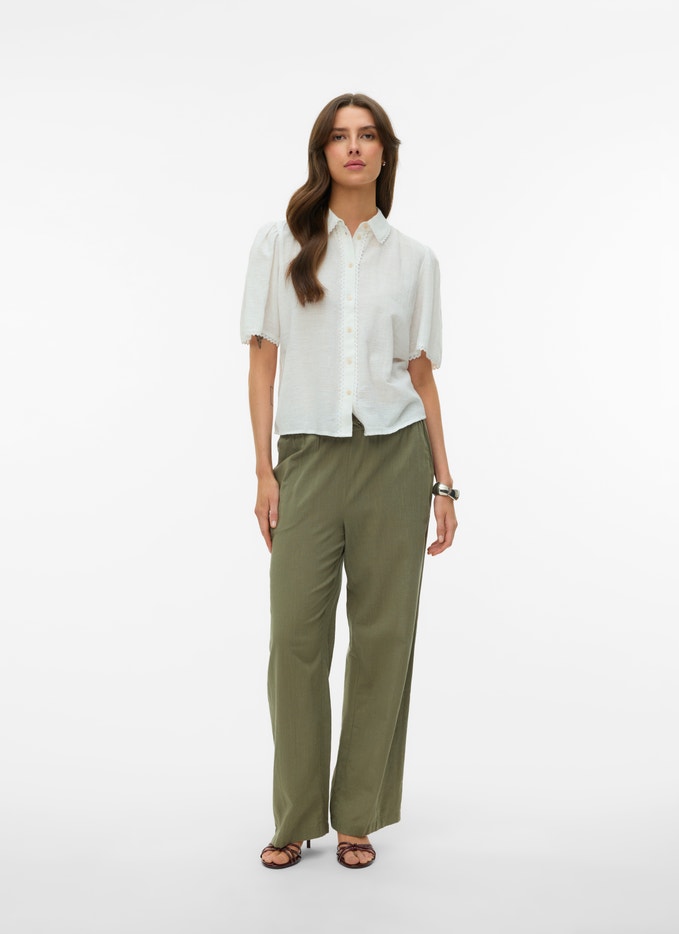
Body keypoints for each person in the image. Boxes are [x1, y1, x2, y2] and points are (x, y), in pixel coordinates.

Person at [240, 92, 458, 870]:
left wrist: (444, 482)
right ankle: (296, 814)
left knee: (383, 637)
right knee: (295, 640)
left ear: (385, 153)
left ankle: (359, 813)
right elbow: (262, 362)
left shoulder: (416, 260)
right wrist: (263, 470)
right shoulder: (281, 243)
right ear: (323, 152)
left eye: (367, 136)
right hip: (307, 457)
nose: (354, 147)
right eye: (340, 137)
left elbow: (422, 376)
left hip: (396, 459)